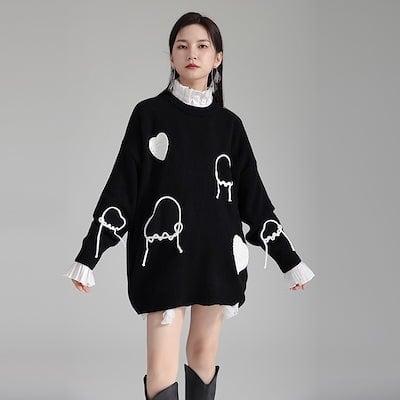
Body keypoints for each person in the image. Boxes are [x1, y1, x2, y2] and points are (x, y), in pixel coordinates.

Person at [62, 11, 315, 400]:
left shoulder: (230, 126)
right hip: (164, 259)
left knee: (202, 356)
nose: (191, 54)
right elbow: (121, 190)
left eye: (202, 46)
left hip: (218, 259)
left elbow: (254, 200)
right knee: (161, 368)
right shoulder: (148, 115)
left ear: (218, 57)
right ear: (171, 56)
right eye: (182, 46)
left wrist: (289, 260)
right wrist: (88, 256)